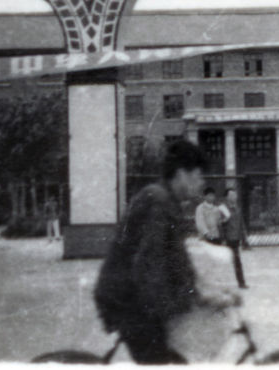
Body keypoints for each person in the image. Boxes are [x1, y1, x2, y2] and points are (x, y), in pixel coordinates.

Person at [93, 141, 237, 364]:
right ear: (181, 174)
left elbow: (179, 261)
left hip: (135, 297)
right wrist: (185, 300)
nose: (201, 183)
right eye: (198, 176)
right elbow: (151, 263)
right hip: (129, 302)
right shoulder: (158, 202)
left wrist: (204, 292)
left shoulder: (167, 202)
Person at [222, 187, 249, 289]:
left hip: (235, 239)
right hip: (226, 239)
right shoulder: (222, 209)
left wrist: (244, 238)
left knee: (237, 261)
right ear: (227, 197)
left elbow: (241, 224)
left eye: (235, 195)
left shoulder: (238, 209)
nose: (234, 197)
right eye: (231, 195)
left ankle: (241, 282)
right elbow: (220, 224)